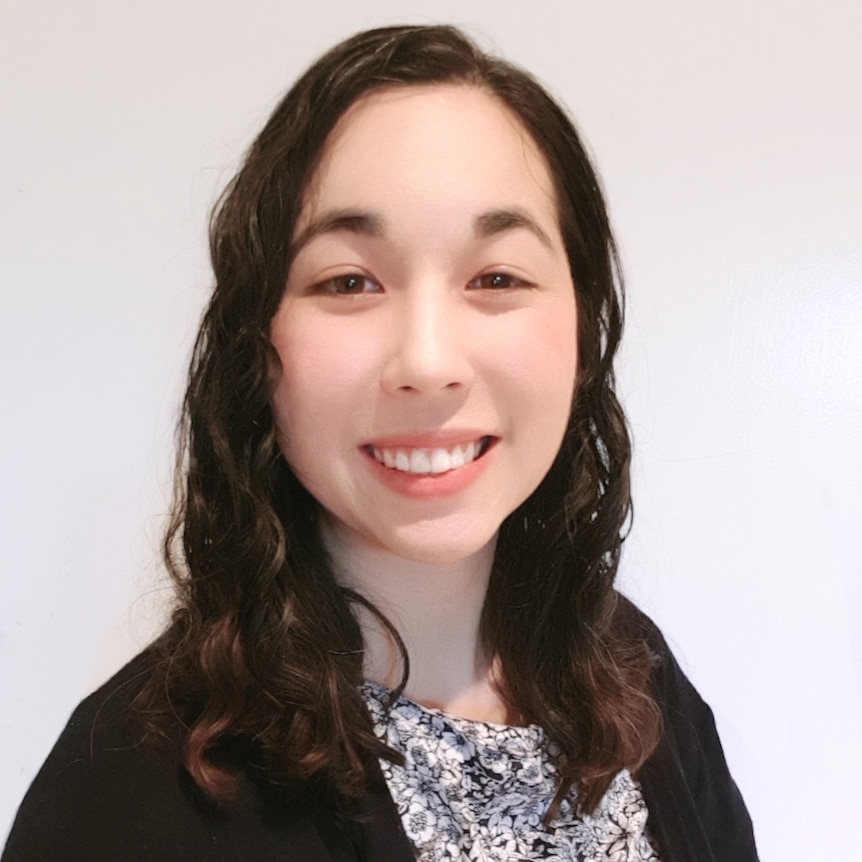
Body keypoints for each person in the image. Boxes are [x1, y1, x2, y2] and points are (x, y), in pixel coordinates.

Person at [3, 24, 758, 862]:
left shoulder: (634, 676)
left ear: (581, 326)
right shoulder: (127, 795)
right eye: (350, 281)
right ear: (259, 340)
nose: (427, 364)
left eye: (497, 277)